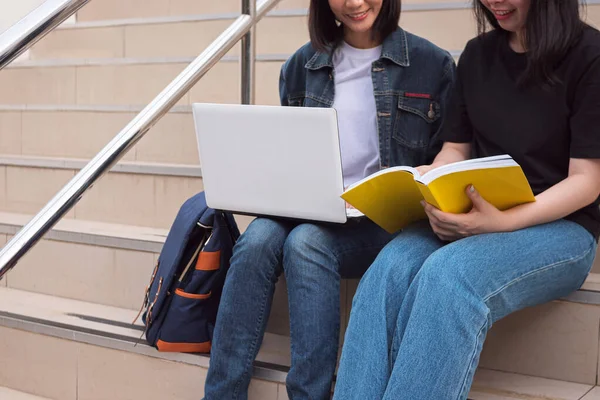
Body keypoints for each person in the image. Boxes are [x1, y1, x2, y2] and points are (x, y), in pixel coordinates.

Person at [332, 0, 600, 399]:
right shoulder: (477, 55)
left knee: (449, 276)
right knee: (388, 268)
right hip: (478, 218)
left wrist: (503, 222)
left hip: (563, 229)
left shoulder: (590, 55)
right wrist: (432, 176)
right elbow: (455, 149)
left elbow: (587, 181)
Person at [202, 0, 455, 399]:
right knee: (257, 238)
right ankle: (221, 393)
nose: (354, 2)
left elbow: (450, 159)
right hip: (315, 206)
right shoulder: (302, 66)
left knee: (306, 243)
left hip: (384, 221)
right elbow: (290, 155)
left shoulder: (432, 64)